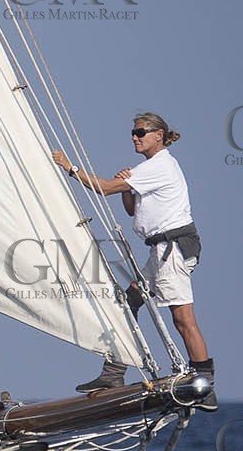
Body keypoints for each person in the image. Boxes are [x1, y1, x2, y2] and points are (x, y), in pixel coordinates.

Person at [52, 112, 216, 410]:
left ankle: (206, 386)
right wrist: (128, 187)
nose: (135, 137)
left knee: (183, 319)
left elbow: (103, 188)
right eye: (134, 132)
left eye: (141, 132)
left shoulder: (160, 166)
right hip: (160, 250)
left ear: (159, 135)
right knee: (128, 304)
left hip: (172, 248)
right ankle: (113, 374)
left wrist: (70, 167)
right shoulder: (147, 170)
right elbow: (131, 210)